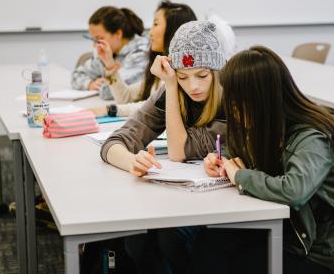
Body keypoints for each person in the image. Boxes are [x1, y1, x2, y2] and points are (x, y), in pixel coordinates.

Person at [203, 46, 334, 274]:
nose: (233, 111)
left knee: (231, 260)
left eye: (237, 103)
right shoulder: (268, 122)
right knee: (210, 243)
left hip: (317, 250)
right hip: (290, 229)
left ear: (260, 100)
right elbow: (236, 148)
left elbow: (294, 191)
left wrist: (240, 175)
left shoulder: (312, 136)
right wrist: (222, 159)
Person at [101, 20, 235, 274]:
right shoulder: (170, 93)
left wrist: (172, 85)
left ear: (216, 71)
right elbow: (113, 143)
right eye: (183, 76)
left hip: (224, 204)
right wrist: (132, 161)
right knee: (136, 239)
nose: (193, 86)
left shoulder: (230, 99)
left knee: (171, 237)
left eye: (202, 75)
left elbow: (178, 150)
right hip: (180, 197)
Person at [87, 0, 197, 117]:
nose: (150, 32)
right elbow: (125, 97)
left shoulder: (185, 72)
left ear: (174, 29)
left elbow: (156, 107)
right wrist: (109, 64)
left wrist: (109, 109)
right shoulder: (161, 67)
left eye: (155, 24)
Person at [71, 6, 148, 100]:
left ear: (118, 34)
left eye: (99, 38)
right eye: (93, 39)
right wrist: (90, 84)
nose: (95, 45)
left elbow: (110, 92)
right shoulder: (107, 51)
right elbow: (76, 75)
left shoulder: (141, 52)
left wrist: (104, 81)